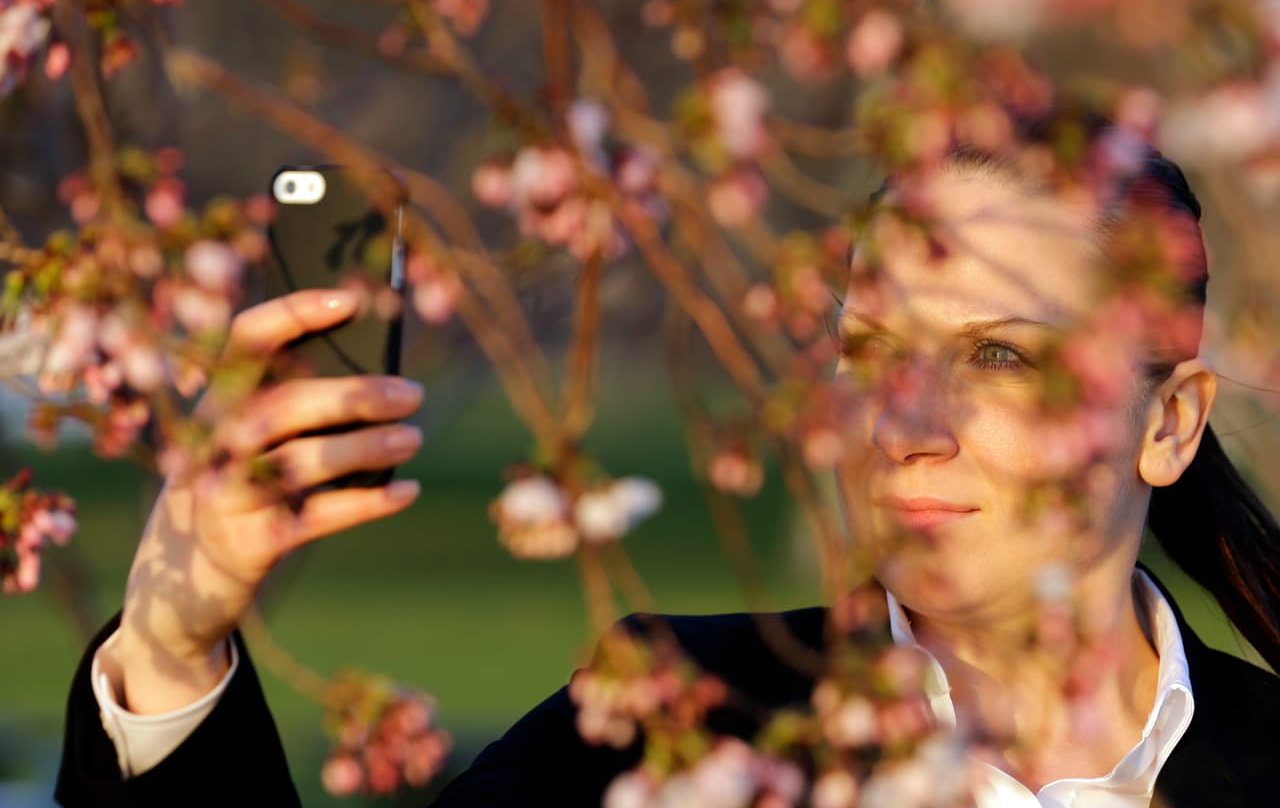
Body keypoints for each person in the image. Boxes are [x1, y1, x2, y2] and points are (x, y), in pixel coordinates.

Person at [53, 125, 1280, 807]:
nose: (904, 421)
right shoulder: (662, 723)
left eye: (1000, 353)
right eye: (869, 353)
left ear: (1165, 424)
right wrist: (172, 648)